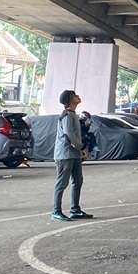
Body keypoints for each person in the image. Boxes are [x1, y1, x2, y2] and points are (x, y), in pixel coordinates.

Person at [52, 90, 92, 222]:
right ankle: (56, 211)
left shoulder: (73, 114)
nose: (78, 96)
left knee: (77, 181)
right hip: (65, 154)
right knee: (62, 183)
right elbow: (69, 134)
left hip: (74, 154)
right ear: (69, 99)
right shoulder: (67, 115)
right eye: (75, 96)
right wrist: (80, 147)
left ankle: (75, 209)